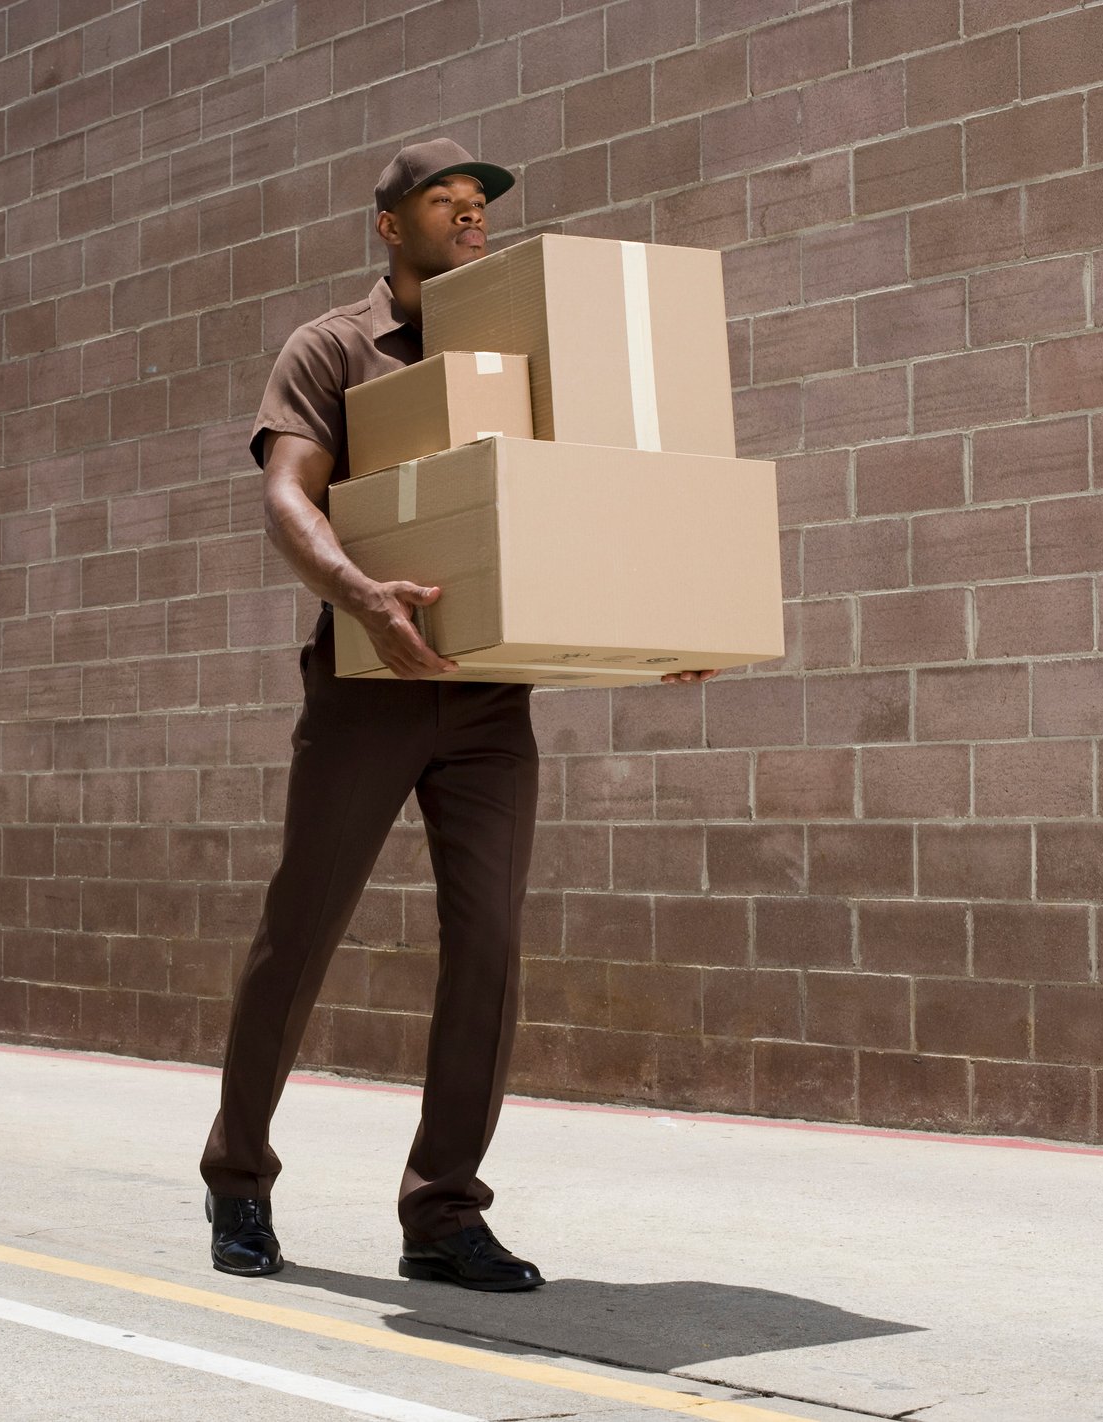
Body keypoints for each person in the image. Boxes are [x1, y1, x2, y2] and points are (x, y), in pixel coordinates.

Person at [199, 138, 717, 1292]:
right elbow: (287, 490)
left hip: (489, 698)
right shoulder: (333, 346)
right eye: (448, 202)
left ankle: (441, 1210)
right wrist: (357, 596)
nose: (473, 218)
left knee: (487, 947)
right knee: (303, 928)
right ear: (390, 225)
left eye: (481, 203)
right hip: (369, 685)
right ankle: (237, 1179)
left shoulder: (516, 350)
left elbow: (583, 491)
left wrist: (666, 618)